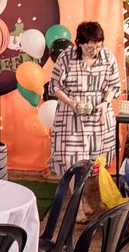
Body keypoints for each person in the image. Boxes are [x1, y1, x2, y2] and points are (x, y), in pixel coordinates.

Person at [48, 21, 121, 177]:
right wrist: (70, 102)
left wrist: (105, 103)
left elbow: (114, 85)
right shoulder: (66, 57)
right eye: (89, 48)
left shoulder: (108, 57)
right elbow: (54, 86)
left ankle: (88, 190)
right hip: (71, 116)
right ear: (79, 43)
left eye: (98, 46)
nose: (94, 51)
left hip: (99, 116)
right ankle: (75, 193)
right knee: (71, 162)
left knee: (98, 162)